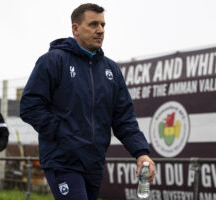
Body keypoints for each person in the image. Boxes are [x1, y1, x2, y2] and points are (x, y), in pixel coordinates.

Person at [20, 3, 155, 200]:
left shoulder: (111, 70)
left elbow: (123, 118)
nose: (100, 30)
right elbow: (29, 106)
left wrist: (141, 152)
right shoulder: (52, 61)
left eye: (103, 25)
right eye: (93, 24)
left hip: (94, 163)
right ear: (75, 28)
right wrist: (63, 133)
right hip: (62, 160)